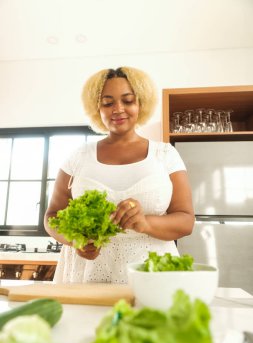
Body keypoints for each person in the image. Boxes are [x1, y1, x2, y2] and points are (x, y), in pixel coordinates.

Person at [44, 66, 195, 284]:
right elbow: (52, 216)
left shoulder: (165, 155)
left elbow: (186, 220)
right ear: (97, 109)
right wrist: (75, 240)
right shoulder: (78, 157)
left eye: (128, 100)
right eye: (108, 102)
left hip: (150, 274)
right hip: (85, 274)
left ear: (140, 104)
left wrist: (146, 223)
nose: (118, 109)